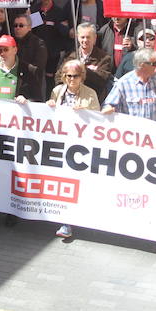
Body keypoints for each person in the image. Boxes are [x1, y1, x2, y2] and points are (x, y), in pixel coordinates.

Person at [0, 35, 38, 231]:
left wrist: (26, 99)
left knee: (14, 172)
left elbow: (39, 97)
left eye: (5, 49)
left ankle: (12, 211)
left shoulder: (28, 70)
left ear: (15, 50)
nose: (1, 54)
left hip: (18, 131)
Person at [47, 58, 99, 240]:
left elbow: (98, 120)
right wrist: (50, 107)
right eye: (68, 76)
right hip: (61, 145)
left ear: (82, 77)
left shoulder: (90, 94)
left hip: (81, 147)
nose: (71, 79)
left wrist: (85, 111)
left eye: (75, 76)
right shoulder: (56, 91)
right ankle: (65, 222)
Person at [102, 48, 156, 126]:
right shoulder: (124, 83)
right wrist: (109, 108)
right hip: (134, 134)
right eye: (154, 64)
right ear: (142, 65)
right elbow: (108, 105)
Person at [61, 22, 113, 100]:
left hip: (92, 99)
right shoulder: (69, 56)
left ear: (95, 38)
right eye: (82, 37)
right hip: (70, 98)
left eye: (88, 37)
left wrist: (83, 69)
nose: (85, 40)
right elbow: (59, 76)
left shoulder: (104, 58)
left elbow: (101, 81)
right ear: (77, 37)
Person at [30, 0, 69, 86]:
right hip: (37, 50)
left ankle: (50, 98)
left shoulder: (59, 12)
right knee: (35, 77)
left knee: (50, 78)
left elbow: (63, 32)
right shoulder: (35, 9)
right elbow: (32, 30)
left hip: (52, 51)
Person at [12, 13, 48, 101]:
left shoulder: (39, 43)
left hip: (31, 89)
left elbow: (37, 68)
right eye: (15, 25)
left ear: (29, 27)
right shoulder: (12, 41)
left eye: (21, 25)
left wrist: (17, 61)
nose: (17, 28)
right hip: (13, 86)